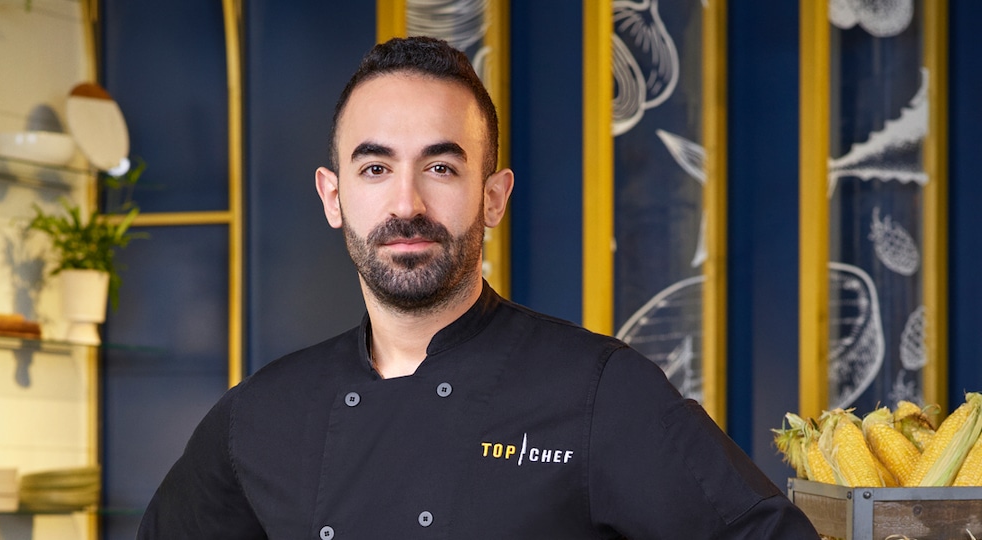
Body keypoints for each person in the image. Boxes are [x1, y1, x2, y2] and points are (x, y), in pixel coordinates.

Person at [138, 36, 819, 539]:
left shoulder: (599, 393)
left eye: (441, 167)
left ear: (493, 197)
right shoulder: (262, 416)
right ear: (332, 195)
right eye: (375, 169)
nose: (406, 203)